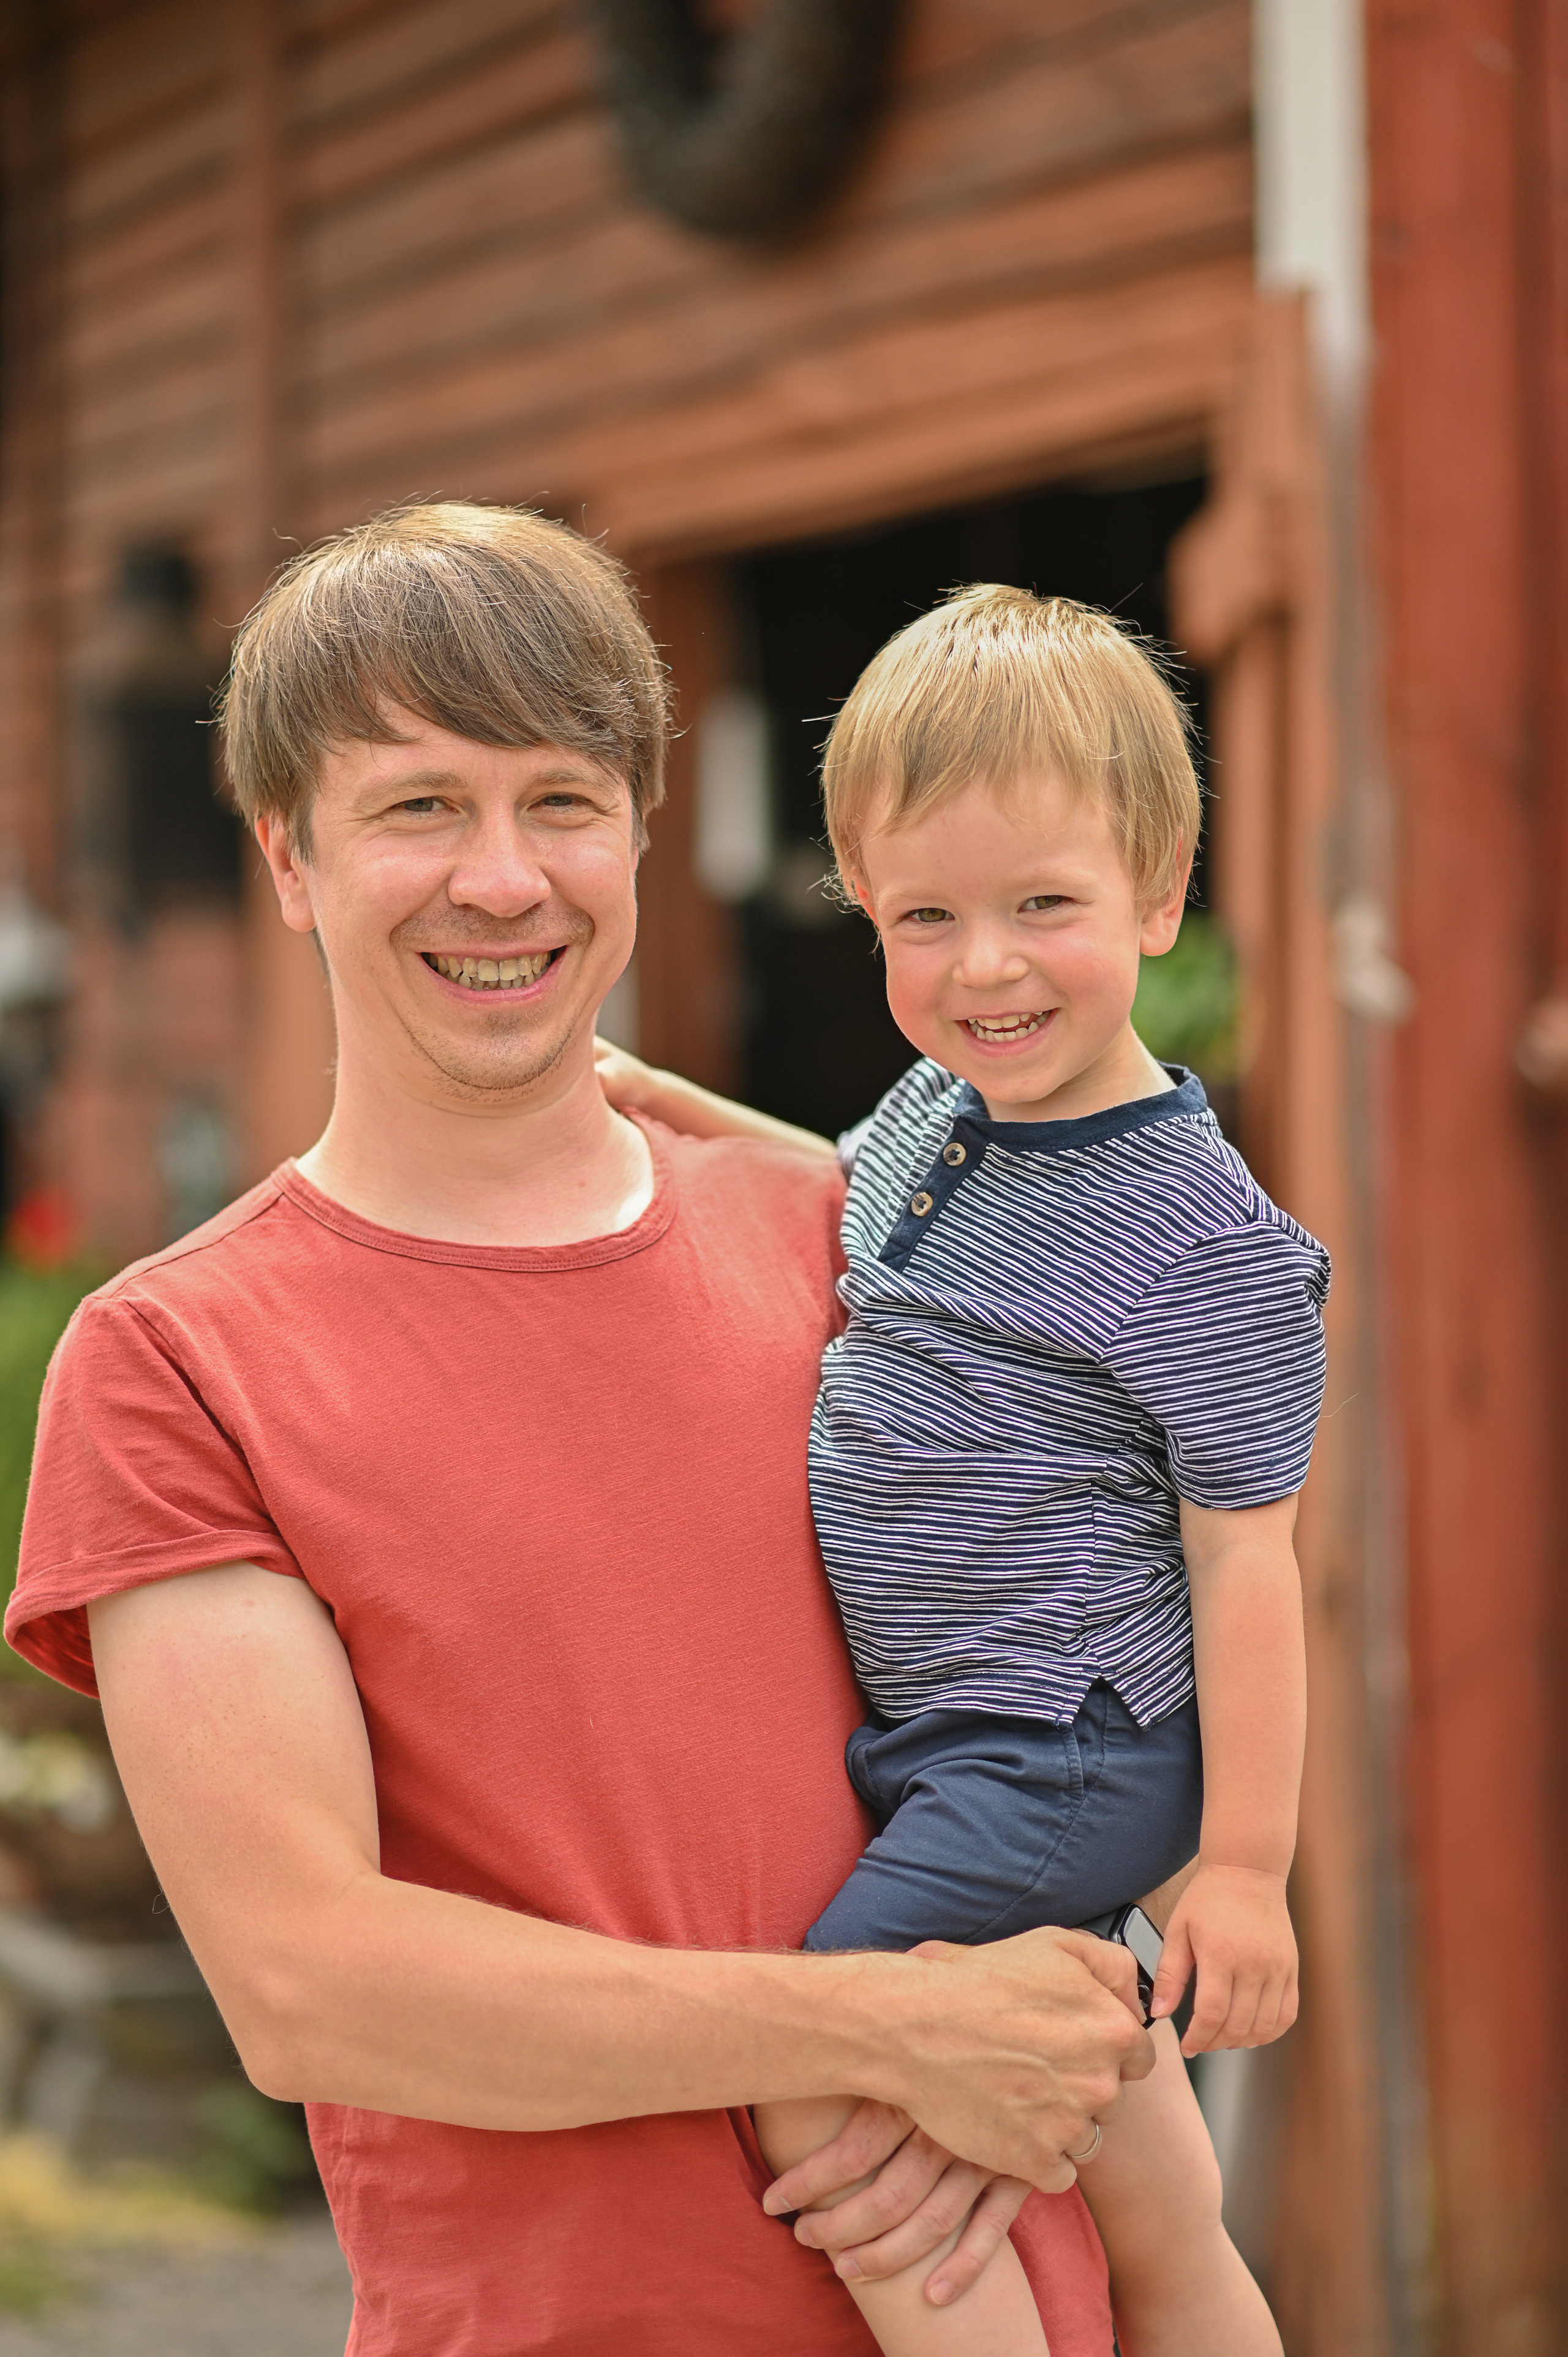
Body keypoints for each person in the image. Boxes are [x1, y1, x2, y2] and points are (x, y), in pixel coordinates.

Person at [4, 509, 1154, 2357]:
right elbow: (315, 1982)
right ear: (291, 856)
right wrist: (885, 2033)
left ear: (637, 831)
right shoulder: (183, 1363)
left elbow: (1122, 1676)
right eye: (417, 809)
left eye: (560, 799)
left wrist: (1094, 2003)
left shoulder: (853, 1250)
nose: (502, 877)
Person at [596, 588, 1329, 2357]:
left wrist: (1241, 1870)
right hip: (957, 1735)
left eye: (1044, 908)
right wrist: (673, 1109)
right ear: (864, 914)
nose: (984, 967)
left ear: (1160, 898)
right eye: (925, 919)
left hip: (1065, 1748)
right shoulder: (943, 1116)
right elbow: (852, 1207)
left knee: (822, 2044)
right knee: (1151, 2179)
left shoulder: (1203, 1241)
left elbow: (1247, 1560)